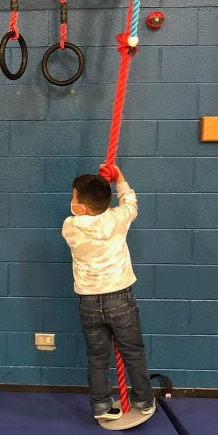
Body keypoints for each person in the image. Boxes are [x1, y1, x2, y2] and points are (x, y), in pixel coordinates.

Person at [61, 166, 155, 421]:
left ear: (80, 205)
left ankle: (101, 405)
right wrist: (119, 177)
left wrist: (100, 189)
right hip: (120, 300)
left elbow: (94, 212)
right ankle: (144, 401)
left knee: (97, 356)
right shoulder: (118, 218)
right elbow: (130, 202)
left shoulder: (69, 226)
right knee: (133, 352)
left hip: (89, 302)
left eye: (74, 197)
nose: (72, 201)